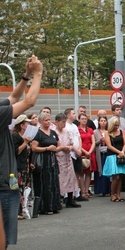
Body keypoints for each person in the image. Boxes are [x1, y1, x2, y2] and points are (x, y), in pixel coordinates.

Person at [0, 55, 42, 247]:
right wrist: (38, 72)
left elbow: (14, 97)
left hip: (6, 181)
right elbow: (29, 101)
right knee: (3, 238)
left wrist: (26, 75)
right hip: (2, 184)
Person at [31, 112, 62, 215]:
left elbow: (58, 145)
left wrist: (55, 149)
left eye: (49, 120)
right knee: (46, 183)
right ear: (40, 122)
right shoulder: (38, 133)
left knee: (54, 182)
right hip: (43, 160)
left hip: (53, 159)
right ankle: (46, 207)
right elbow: (34, 147)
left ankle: (55, 205)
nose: (48, 122)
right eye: (46, 120)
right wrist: (47, 148)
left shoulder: (53, 132)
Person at [54, 113, 81, 208]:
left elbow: (71, 143)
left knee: (71, 177)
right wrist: (63, 147)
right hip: (58, 157)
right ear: (56, 122)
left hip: (67, 156)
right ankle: (59, 199)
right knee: (60, 179)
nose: (64, 124)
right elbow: (56, 145)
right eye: (62, 122)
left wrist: (72, 148)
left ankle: (70, 199)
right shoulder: (54, 131)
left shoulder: (67, 131)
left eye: (65, 122)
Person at [102, 116, 125, 202]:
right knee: (116, 177)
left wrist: (122, 151)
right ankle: (112, 194)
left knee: (121, 176)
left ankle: (118, 194)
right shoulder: (107, 133)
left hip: (121, 155)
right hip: (112, 156)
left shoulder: (122, 132)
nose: (117, 127)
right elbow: (109, 146)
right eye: (115, 125)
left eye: (118, 125)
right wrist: (119, 152)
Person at [11, 115, 32, 220]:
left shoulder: (26, 136)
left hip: (25, 165)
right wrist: (25, 143)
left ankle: (24, 208)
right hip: (18, 166)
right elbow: (16, 151)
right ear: (22, 125)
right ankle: (17, 210)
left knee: (25, 188)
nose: (28, 125)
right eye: (26, 123)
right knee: (18, 188)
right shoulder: (15, 136)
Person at [64, 108, 86, 202]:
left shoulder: (74, 126)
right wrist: (75, 150)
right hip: (70, 153)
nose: (75, 115)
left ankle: (77, 193)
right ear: (68, 115)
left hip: (77, 152)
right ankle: (67, 195)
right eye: (73, 113)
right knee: (69, 174)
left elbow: (79, 138)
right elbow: (68, 140)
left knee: (78, 173)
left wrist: (79, 149)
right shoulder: (66, 126)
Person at [77, 113, 97, 199]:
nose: (84, 120)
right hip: (82, 152)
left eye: (85, 119)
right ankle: (82, 191)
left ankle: (87, 190)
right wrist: (85, 152)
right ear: (79, 120)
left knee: (89, 173)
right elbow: (77, 143)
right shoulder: (77, 129)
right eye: (82, 119)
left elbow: (93, 142)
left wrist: (90, 151)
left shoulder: (90, 129)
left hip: (90, 152)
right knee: (81, 173)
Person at [93, 116, 111, 196]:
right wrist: (99, 141)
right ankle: (101, 189)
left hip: (107, 152)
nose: (103, 122)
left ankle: (108, 190)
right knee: (100, 171)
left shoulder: (109, 131)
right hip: (99, 153)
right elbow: (94, 143)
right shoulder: (95, 132)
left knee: (108, 171)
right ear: (99, 122)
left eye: (104, 120)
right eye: (101, 121)